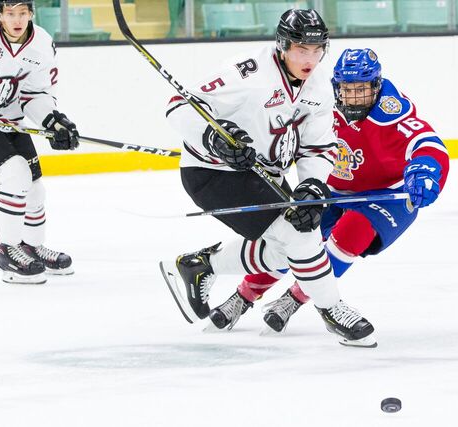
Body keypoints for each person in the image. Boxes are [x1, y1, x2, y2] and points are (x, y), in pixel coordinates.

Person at [162, 10, 377, 347]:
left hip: (264, 175)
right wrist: (214, 138)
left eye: (317, 50)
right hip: (213, 172)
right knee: (300, 235)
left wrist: (311, 186)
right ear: (282, 45)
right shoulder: (248, 72)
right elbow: (178, 105)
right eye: (301, 50)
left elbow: (318, 148)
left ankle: (201, 265)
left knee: (287, 246)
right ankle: (332, 309)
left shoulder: (320, 86)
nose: (310, 59)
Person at [203, 48, 450, 334]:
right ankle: (243, 295)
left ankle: (296, 298)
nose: (353, 98)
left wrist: (425, 169)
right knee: (293, 238)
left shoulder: (391, 111)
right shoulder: (320, 102)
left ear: (377, 86)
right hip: (333, 189)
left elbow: (427, 143)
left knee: (353, 231)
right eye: (347, 90)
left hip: (385, 195)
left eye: (361, 89)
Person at [0, 0, 79, 285]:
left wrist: (53, 122)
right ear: (0, 15)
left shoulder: (41, 43)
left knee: (34, 190)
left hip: (10, 121)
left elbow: (34, 94)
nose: (17, 20)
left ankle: (30, 246)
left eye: (22, 13)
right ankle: (8, 251)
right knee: (15, 174)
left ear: (31, 13)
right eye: (10, 14)